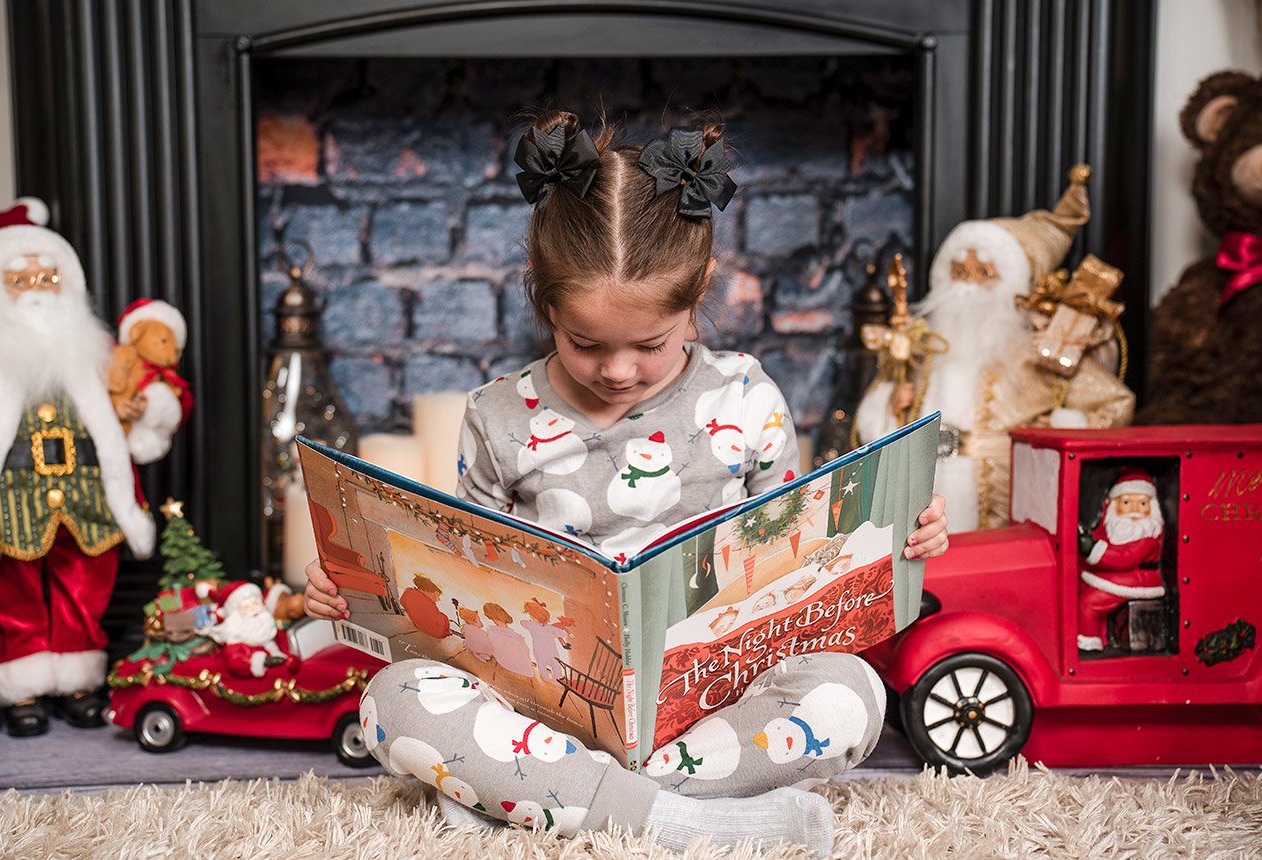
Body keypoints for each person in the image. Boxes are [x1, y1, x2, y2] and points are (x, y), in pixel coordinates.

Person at [306, 111, 949, 853]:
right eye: (585, 344)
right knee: (391, 704)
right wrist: (354, 594)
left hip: (714, 701)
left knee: (852, 695)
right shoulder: (495, 416)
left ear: (698, 291)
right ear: (544, 302)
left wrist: (906, 532)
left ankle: (548, 797)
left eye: (649, 344)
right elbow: (457, 585)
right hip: (545, 704)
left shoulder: (744, 398)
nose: (617, 371)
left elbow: (806, 547)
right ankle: (685, 821)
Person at [855, 166, 1134, 533]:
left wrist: (1065, 428)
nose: (967, 286)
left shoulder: (1040, 351)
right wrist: (890, 407)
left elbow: (1115, 404)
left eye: (983, 274)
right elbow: (873, 418)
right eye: (959, 272)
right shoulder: (925, 346)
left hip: (1008, 503)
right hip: (924, 507)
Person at [0, 198, 157, 737]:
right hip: (14, 498)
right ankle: (21, 688)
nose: (37, 285)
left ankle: (79, 680)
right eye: (20, 278)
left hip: (85, 496)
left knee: (86, 588)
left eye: (49, 274)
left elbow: (117, 422)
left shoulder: (91, 355)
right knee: (15, 593)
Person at [1077, 469, 1165, 652]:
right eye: (1126, 502)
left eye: (1142, 503)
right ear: (1114, 505)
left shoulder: (1148, 534)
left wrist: (1092, 549)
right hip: (1122, 578)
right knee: (1081, 585)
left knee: (1089, 602)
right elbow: (1101, 536)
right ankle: (1102, 637)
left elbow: (1125, 558)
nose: (1134, 509)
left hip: (1139, 580)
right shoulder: (1116, 525)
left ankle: (1089, 645)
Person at [203, 580, 298, 678]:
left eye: (255, 604)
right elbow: (235, 662)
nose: (253, 609)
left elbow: (283, 644)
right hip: (252, 661)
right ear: (235, 615)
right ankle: (263, 662)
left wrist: (286, 657)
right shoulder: (236, 640)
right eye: (246, 607)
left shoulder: (268, 627)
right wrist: (257, 661)